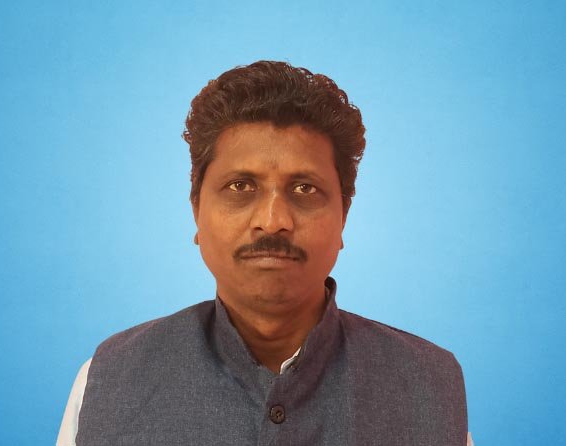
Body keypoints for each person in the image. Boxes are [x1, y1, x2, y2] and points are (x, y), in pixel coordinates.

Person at [57, 61, 473, 445]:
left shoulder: (429, 387)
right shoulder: (108, 381)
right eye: (240, 186)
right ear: (197, 211)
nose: (273, 221)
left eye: (305, 188)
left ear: (343, 216)